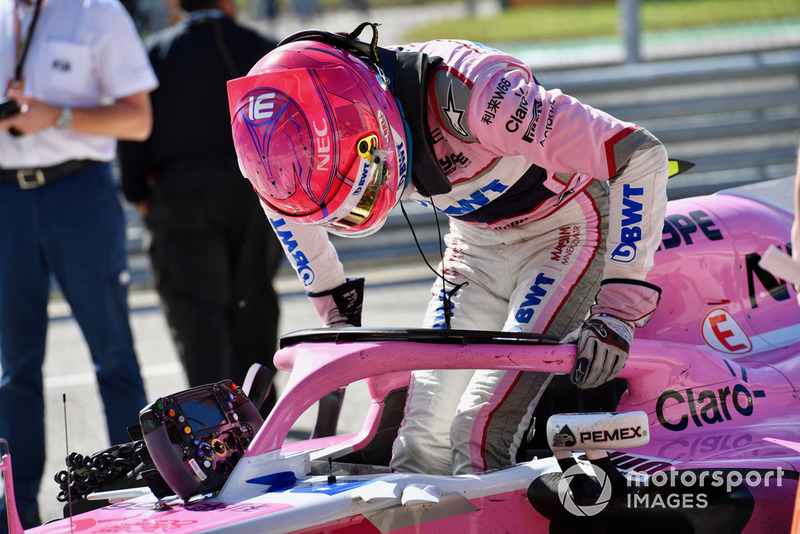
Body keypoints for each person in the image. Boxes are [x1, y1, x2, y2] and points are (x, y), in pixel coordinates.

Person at [227, 24, 668, 476]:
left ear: (371, 116)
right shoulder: (284, 151)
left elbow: (638, 154)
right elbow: (287, 207)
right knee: (420, 440)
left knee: (479, 430)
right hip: (474, 246)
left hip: (565, 233)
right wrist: (335, 311)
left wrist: (618, 310)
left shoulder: (480, 95)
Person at [0, 0, 157, 529]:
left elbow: (139, 119)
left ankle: (132, 499)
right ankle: (14, 511)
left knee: (113, 356)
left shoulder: (97, 12)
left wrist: (58, 116)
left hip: (79, 193)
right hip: (6, 202)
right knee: (14, 370)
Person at [118, 0, 283, 403]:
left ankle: (214, 429)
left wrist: (137, 191)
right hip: (254, 192)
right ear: (228, 3)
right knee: (253, 304)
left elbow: (132, 131)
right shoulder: (263, 49)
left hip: (180, 196)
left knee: (198, 318)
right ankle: (262, 422)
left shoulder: (156, 52)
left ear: (176, 5)